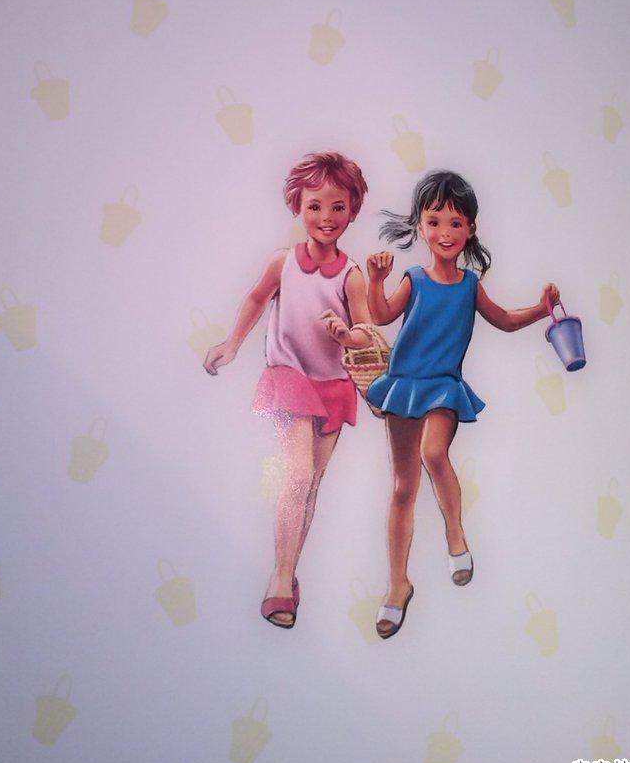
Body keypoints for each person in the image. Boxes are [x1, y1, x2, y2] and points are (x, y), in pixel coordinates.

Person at [366, 170, 559, 639]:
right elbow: (381, 314)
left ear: (470, 228)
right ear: (420, 225)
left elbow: (505, 320)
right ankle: (398, 584)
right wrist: (375, 280)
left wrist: (542, 309)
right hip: (405, 386)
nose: (445, 233)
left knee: (434, 452)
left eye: (455, 223)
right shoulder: (414, 279)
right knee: (402, 488)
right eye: (434, 222)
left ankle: (455, 531)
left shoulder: (470, 285)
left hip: (444, 388)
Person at [203, 151, 372, 628]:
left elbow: (366, 333)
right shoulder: (283, 263)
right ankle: (280, 580)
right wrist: (232, 344)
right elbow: (257, 298)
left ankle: (288, 570)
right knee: (296, 473)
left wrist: (347, 335)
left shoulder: (352, 276)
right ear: (298, 205)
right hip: (289, 375)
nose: (326, 217)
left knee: (312, 482)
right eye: (315, 206)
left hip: (334, 384)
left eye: (338, 207)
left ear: (352, 212)